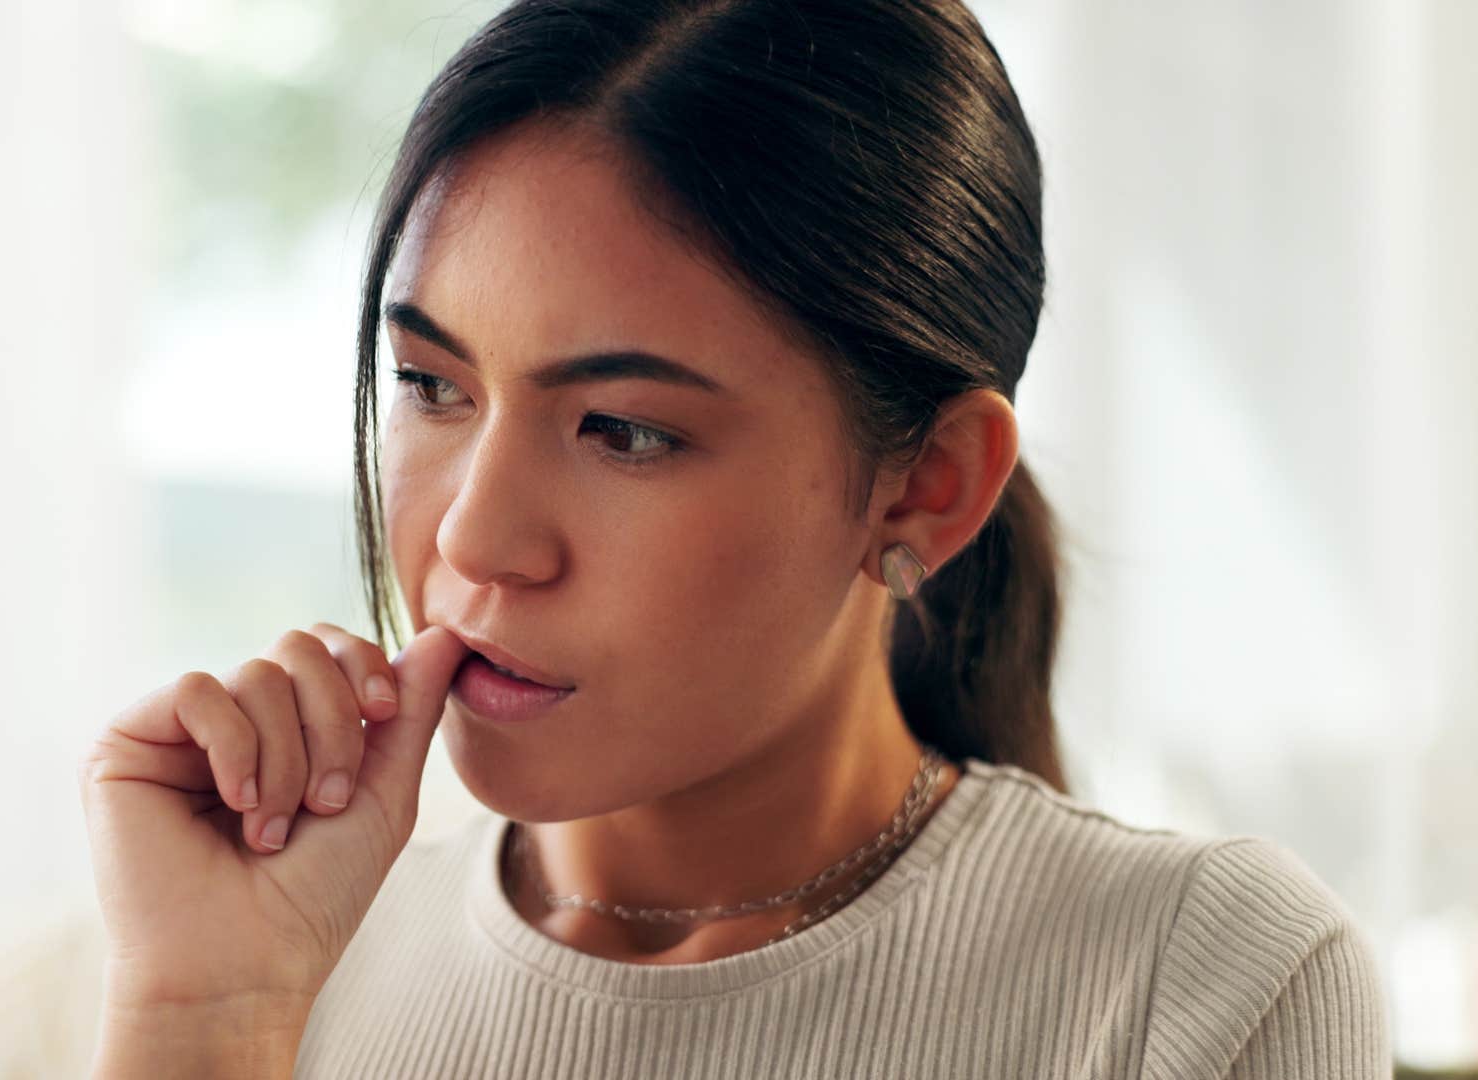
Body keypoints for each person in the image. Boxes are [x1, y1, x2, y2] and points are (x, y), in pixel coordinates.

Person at [77, 1, 1393, 1076]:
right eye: (433, 386)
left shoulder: (1205, 988)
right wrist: (207, 1029)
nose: (476, 537)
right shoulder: (286, 957)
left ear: (927, 487)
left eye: (625, 431)